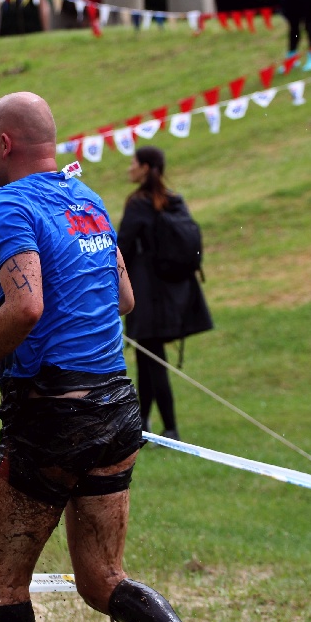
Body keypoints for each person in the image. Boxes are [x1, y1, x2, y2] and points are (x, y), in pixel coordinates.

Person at [0, 92, 188, 622]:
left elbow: (25, 307)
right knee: (103, 581)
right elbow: (124, 299)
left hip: (51, 414)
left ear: (4, 144)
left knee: (6, 580)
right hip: (117, 409)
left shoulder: (7, 206)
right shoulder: (88, 200)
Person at [117, 147, 213, 441]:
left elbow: (122, 246)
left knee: (153, 360)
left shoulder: (138, 204)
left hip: (147, 294)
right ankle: (143, 424)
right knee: (149, 359)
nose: (129, 168)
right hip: (172, 293)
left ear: (145, 167)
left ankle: (169, 428)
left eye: (133, 163)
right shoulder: (173, 200)